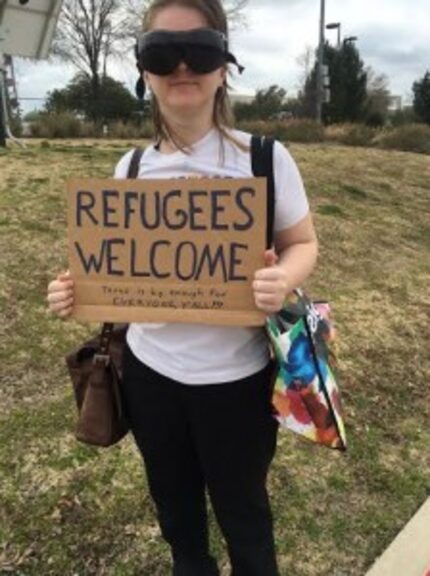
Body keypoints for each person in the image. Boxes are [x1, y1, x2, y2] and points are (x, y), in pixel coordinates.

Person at [47, 1, 318, 574]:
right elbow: (111, 268)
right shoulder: (131, 169)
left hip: (238, 385)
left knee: (245, 514)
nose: (182, 68)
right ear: (145, 73)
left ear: (224, 67)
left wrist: (283, 278)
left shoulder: (266, 159)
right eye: (162, 54)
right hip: (150, 380)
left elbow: (303, 243)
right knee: (177, 515)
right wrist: (76, 291)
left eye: (200, 50)